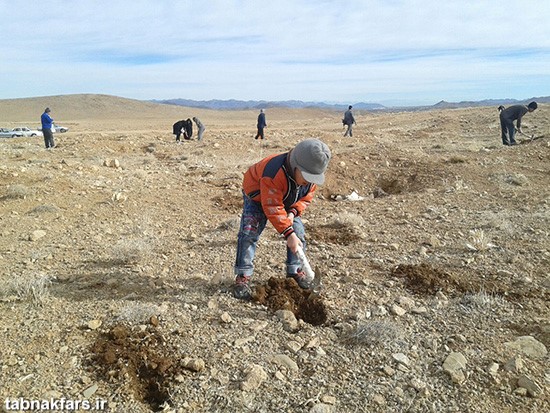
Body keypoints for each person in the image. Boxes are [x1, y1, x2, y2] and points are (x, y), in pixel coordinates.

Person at [233, 138, 332, 300]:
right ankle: (242, 276)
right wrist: (288, 233)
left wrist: (293, 212)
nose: (309, 182)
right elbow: (272, 206)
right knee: (249, 232)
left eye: (313, 178)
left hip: (285, 199)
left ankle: (294, 271)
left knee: (298, 231)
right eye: (307, 177)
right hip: (258, 197)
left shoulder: (310, 176)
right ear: (295, 166)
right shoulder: (273, 172)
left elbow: (306, 197)